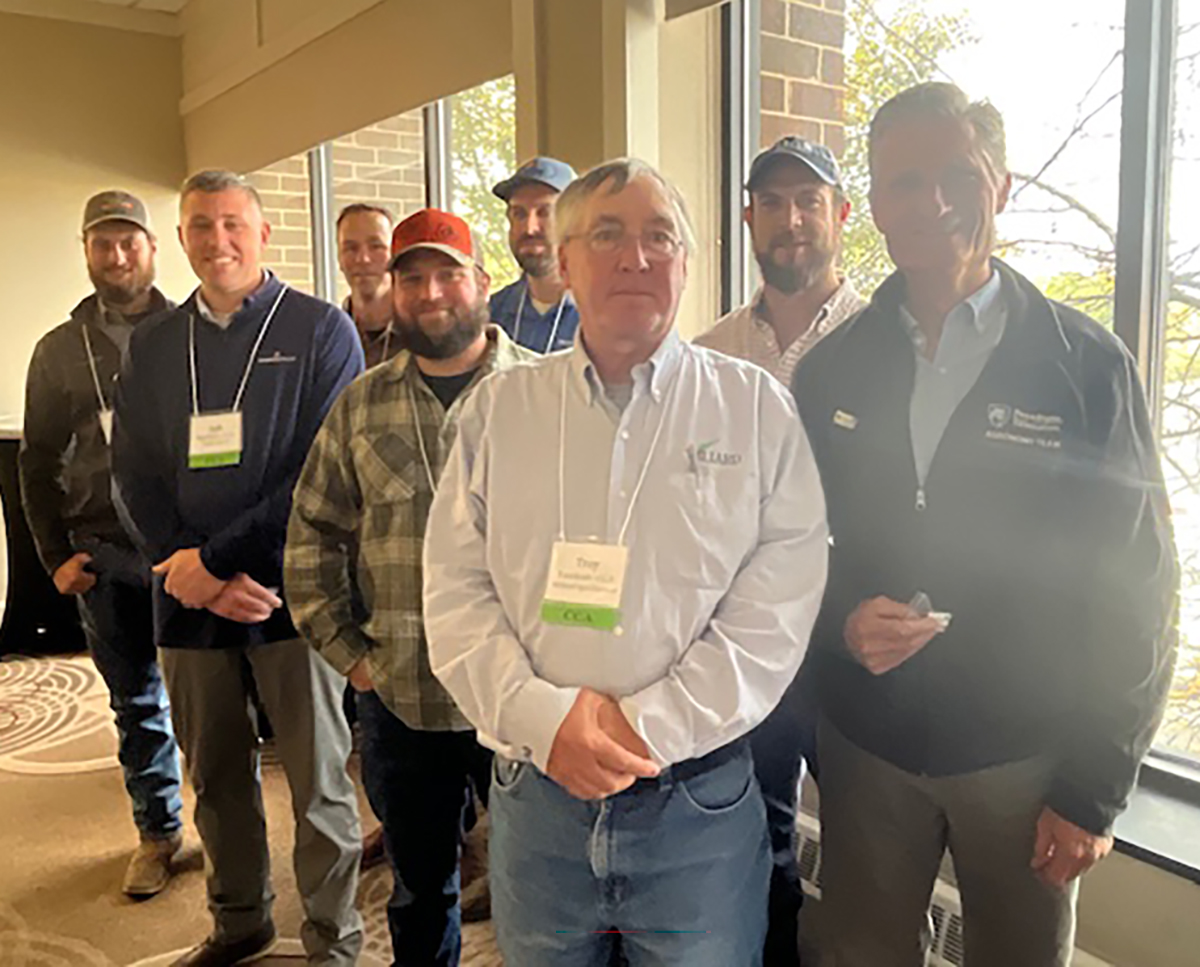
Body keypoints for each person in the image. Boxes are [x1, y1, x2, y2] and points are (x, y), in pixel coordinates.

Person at [792, 83, 1178, 967]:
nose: (932, 201)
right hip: (868, 750)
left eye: (958, 175)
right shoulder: (832, 369)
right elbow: (788, 552)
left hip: (1027, 759)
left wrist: (1095, 788)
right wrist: (842, 620)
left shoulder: (1087, 368)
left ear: (1000, 185)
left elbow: (1140, 585)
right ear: (875, 202)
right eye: (905, 181)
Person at [423, 159, 829, 967]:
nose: (636, 257)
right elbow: (454, 593)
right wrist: (547, 721)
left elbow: (780, 602)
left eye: (659, 237)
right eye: (607, 234)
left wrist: (640, 726)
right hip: (536, 800)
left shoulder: (753, 407)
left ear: (687, 262)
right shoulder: (497, 412)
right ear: (564, 262)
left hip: (698, 809)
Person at [111, 169, 366, 967]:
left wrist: (215, 563)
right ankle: (239, 922)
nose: (217, 239)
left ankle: (335, 941)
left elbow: (322, 474)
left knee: (319, 785)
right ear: (180, 239)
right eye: (200, 225)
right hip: (186, 602)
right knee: (216, 778)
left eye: (232, 223)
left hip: (293, 594)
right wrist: (183, 567)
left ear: (262, 233)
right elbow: (132, 473)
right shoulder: (154, 343)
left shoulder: (322, 330)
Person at [287, 208, 535, 966]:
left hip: (522, 698)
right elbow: (310, 536)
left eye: (447, 274)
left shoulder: (545, 394)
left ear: (482, 282)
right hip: (404, 698)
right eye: (413, 277)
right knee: (420, 889)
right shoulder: (360, 406)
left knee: (539, 886)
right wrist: (355, 661)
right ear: (392, 291)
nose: (431, 293)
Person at [694, 136, 865, 967]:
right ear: (749, 220)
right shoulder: (708, 354)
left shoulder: (884, 344)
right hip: (748, 637)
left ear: (841, 214)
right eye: (772, 202)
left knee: (871, 851)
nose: (791, 218)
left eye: (809, 201)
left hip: (851, 639)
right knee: (760, 844)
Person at [20, 190, 184, 898]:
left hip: (184, 551)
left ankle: (233, 836)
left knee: (214, 703)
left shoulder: (191, 331)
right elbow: (36, 462)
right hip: (103, 552)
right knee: (135, 702)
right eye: (102, 243)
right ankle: (158, 831)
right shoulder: (59, 351)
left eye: (129, 241)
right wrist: (55, 558)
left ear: (153, 247)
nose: (117, 256)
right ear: (86, 251)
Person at [489, 156, 580, 353]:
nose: (529, 229)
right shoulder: (492, 316)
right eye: (519, 214)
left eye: (545, 212)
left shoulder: (603, 314)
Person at [337, 202, 402, 368]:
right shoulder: (329, 335)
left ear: (395, 254)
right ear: (339, 259)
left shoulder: (421, 334)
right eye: (350, 248)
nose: (363, 259)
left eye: (376, 246)